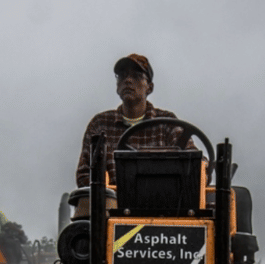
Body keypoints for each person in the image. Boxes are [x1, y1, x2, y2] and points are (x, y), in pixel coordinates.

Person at [75, 54, 191, 187]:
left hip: (162, 202)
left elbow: (195, 162)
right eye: (122, 76)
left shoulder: (167, 123)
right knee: (84, 201)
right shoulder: (100, 123)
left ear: (150, 87)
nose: (128, 80)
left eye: (136, 76)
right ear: (117, 86)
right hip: (111, 204)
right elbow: (84, 175)